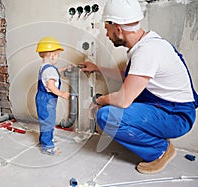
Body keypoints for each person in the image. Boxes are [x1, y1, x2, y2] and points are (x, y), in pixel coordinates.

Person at [79, 0, 197, 174]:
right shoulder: (146, 44)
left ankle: (160, 151)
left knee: (106, 115)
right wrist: (97, 68)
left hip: (176, 116)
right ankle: (151, 141)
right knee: (115, 106)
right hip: (166, 109)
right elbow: (128, 74)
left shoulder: (147, 51)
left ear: (118, 28)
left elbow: (123, 100)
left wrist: (98, 100)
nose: (106, 34)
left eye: (107, 29)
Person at [35, 36, 70, 155]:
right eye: (58, 55)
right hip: (47, 100)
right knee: (48, 122)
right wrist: (62, 94)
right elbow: (51, 86)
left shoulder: (45, 67)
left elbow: (52, 72)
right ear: (52, 55)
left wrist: (64, 68)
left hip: (42, 99)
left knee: (45, 120)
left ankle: (44, 139)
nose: (57, 58)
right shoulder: (50, 70)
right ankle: (47, 146)